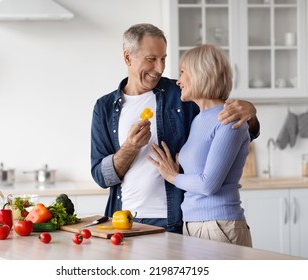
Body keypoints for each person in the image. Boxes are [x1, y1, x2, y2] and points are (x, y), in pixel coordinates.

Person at [90, 23, 260, 234]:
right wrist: (130, 147)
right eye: (151, 59)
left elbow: (229, 125)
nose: (160, 69)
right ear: (127, 58)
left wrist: (250, 112)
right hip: (124, 220)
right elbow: (101, 177)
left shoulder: (181, 96)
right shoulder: (104, 108)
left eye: (163, 59)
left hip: (175, 220)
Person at [148, 44, 252, 247]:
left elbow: (207, 184)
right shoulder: (199, 119)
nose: (178, 81)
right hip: (194, 224)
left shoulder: (229, 119)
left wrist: (172, 176)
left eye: (183, 72)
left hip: (219, 225)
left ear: (200, 73)